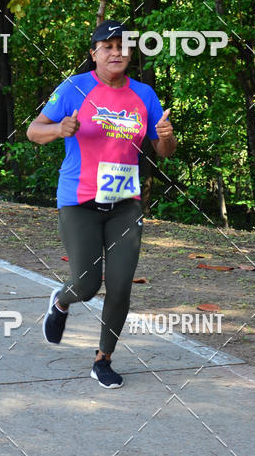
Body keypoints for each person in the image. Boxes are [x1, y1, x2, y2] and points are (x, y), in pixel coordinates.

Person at [27, 20, 177, 388]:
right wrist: (59, 130)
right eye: (107, 46)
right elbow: (34, 131)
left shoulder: (144, 94)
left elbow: (164, 151)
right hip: (79, 202)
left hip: (125, 203)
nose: (116, 52)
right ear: (93, 53)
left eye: (123, 46)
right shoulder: (74, 88)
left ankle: (103, 359)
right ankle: (62, 302)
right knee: (86, 284)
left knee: (122, 284)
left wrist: (166, 138)